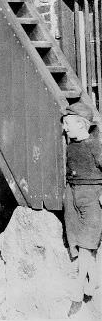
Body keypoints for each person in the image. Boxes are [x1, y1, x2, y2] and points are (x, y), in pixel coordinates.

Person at [62, 101, 102, 317]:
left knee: (88, 241)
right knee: (77, 238)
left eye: (68, 124)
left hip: (92, 195)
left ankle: (79, 285)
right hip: (73, 194)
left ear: (81, 124)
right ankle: (93, 278)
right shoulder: (71, 146)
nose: (65, 128)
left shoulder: (95, 146)